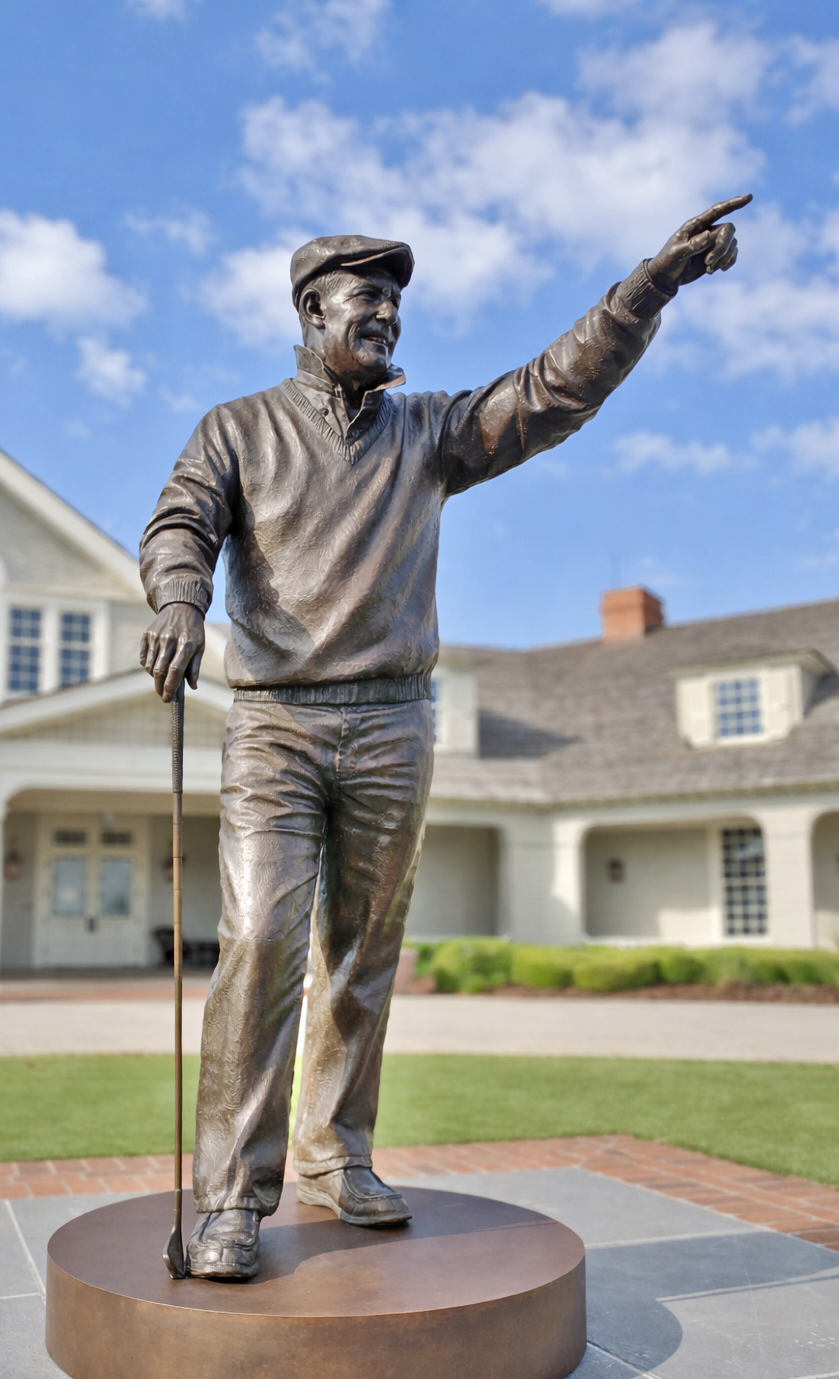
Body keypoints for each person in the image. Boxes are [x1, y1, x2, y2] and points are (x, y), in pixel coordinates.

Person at [140, 197, 750, 1280]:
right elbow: (182, 519)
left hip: (394, 723)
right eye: (367, 300)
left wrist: (650, 285)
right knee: (262, 938)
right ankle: (230, 1197)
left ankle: (337, 1153)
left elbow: (551, 390)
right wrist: (181, 598)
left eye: (394, 303)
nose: (387, 317)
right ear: (311, 310)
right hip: (276, 723)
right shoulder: (237, 428)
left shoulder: (427, 431)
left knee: (363, 955)